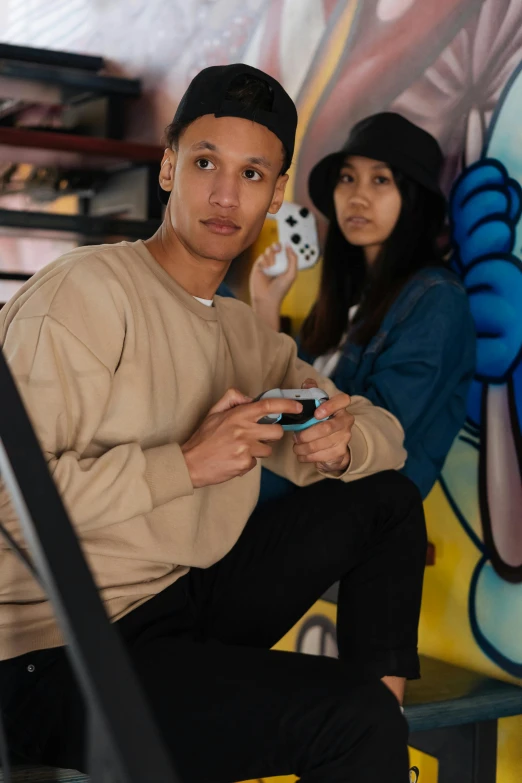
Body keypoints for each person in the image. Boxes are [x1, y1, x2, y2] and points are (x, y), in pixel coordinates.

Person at [0, 67, 426, 783]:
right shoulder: (83, 293)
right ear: (169, 165)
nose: (226, 195)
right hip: (51, 652)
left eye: (252, 173)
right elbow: (12, 500)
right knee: (354, 725)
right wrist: (187, 463)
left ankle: (382, 723)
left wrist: (344, 441)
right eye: (205, 163)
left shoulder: (242, 332)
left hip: (176, 605)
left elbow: (382, 433)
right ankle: (372, 736)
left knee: (385, 500)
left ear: (276, 192)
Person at [250, 112, 476, 504]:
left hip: (352, 515)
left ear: (413, 199)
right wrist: (265, 306)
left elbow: (378, 435)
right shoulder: (347, 296)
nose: (357, 196)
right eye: (347, 178)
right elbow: (288, 398)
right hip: (293, 490)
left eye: (381, 180)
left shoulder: (437, 299)